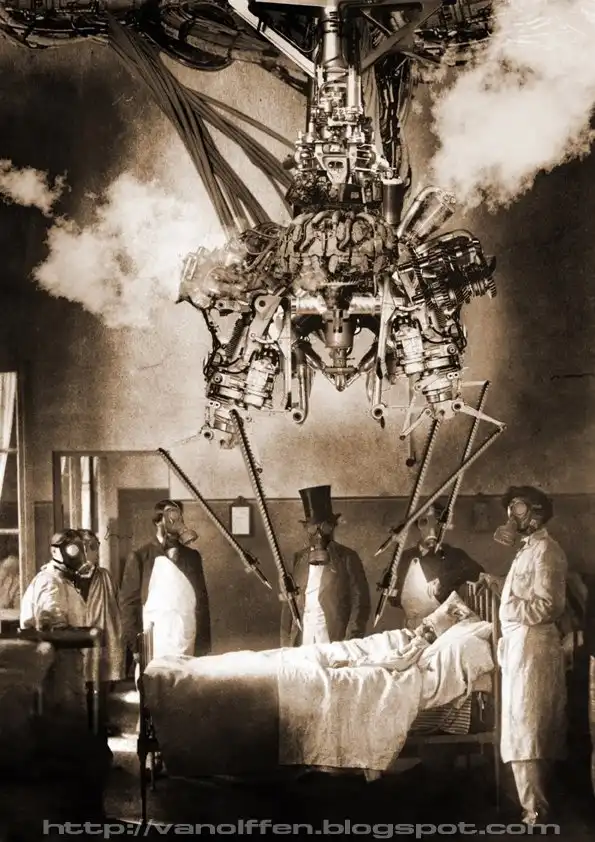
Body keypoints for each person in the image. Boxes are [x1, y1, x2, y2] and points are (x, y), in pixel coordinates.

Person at [491, 485, 567, 827]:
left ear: (536, 513)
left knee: (530, 729)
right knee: (521, 728)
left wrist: (508, 608)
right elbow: (526, 594)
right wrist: (499, 587)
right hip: (521, 648)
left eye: (518, 508)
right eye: (510, 509)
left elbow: (549, 606)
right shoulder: (527, 551)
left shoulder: (547, 551)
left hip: (535, 648)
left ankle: (537, 812)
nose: (511, 516)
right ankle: (530, 807)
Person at [120, 499, 211, 669]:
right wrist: (135, 646)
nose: (175, 520)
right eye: (170, 515)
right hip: (155, 638)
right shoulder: (140, 556)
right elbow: (128, 604)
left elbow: (201, 601)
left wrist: (203, 644)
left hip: (186, 637)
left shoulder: (192, 557)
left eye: (178, 516)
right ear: (158, 521)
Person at [280, 485, 370, 647]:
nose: (318, 534)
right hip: (303, 637)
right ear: (306, 529)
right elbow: (289, 603)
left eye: (324, 527)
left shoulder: (347, 557)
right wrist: (285, 643)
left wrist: (351, 641)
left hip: (335, 638)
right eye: (312, 528)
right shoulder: (299, 558)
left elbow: (360, 602)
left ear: (332, 527)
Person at [388, 500, 484, 629]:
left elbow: (478, 572)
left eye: (437, 524)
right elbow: (392, 596)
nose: (432, 531)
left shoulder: (453, 554)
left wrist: (444, 580)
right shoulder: (405, 557)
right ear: (419, 525)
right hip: (413, 625)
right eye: (425, 523)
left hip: (446, 626)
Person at [78, 529, 123, 738]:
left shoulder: (104, 576)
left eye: (96, 546)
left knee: (101, 687)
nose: (96, 551)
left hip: (103, 640)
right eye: (92, 547)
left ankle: (100, 725)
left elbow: (115, 610)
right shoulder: (69, 578)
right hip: (79, 644)